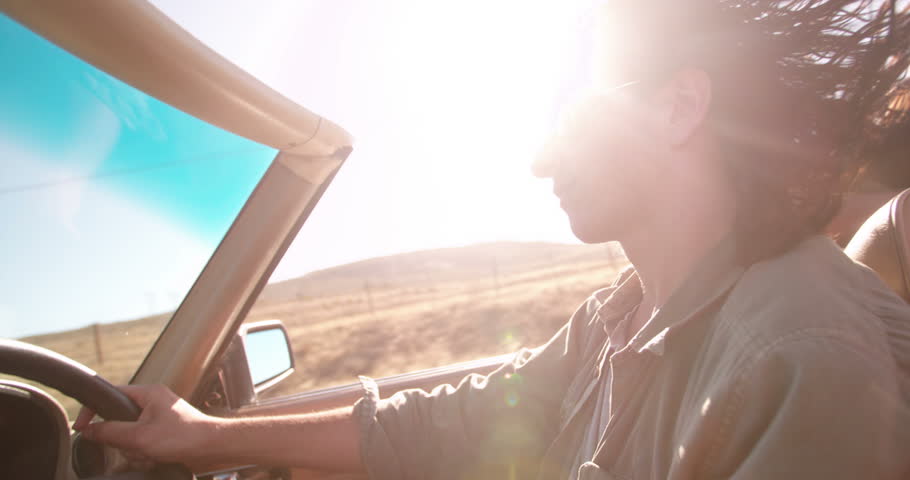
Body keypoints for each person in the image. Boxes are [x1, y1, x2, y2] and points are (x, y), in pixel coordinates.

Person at [75, 1, 910, 479]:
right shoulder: (615, 318)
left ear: (678, 107)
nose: (541, 157)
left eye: (568, 120)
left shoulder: (805, 359)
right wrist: (202, 436)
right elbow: (465, 420)